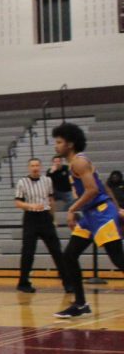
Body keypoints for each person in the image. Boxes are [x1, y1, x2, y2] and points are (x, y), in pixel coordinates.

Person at [51, 123, 124, 318]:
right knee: (69, 256)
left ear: (70, 144)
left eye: (59, 142)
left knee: (119, 260)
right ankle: (81, 304)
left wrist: (72, 209)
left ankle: (81, 303)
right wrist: (117, 208)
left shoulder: (79, 162)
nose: (55, 146)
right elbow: (105, 187)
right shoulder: (73, 164)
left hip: (101, 214)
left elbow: (93, 190)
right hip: (91, 215)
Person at [14, 157, 65, 293]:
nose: (35, 168)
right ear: (29, 168)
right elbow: (18, 203)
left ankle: (68, 281)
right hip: (30, 217)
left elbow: (51, 200)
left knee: (56, 250)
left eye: (37, 165)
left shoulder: (47, 180)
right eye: (32, 166)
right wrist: (31, 205)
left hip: (45, 217)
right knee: (28, 252)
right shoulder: (22, 182)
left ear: (40, 167)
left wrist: (53, 218)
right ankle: (23, 282)